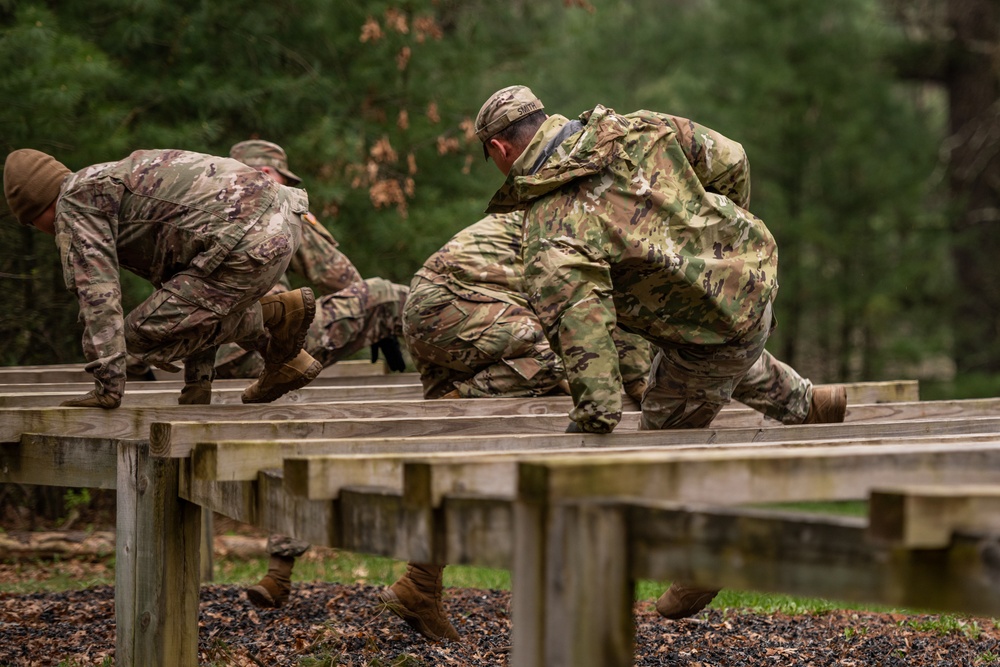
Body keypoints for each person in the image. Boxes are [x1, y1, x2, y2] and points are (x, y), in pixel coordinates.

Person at [378, 209, 843, 641]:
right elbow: (605, 326)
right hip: (465, 307)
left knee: (455, 446)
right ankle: (714, 527)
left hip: (433, 311)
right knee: (572, 367)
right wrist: (639, 389)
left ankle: (420, 582)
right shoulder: (605, 230)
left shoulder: (580, 213)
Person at [473, 85, 846, 622]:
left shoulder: (552, 229)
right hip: (754, 276)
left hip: (716, 334)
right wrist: (720, 244)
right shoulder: (635, 127)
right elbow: (732, 157)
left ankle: (703, 556)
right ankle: (813, 404)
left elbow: (586, 342)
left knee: (664, 443)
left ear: (501, 150)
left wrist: (591, 427)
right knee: (704, 360)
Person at [221, 140, 409, 609]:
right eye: (286, 179)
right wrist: (381, 322)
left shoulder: (198, 205)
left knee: (296, 438)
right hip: (263, 348)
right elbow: (343, 279)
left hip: (209, 357)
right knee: (388, 295)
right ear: (269, 172)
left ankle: (277, 574)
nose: (287, 187)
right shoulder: (275, 203)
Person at [2, 147, 323, 408]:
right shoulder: (111, 183)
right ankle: (285, 357)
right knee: (171, 313)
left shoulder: (74, 203)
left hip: (244, 240)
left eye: (32, 222)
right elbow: (188, 292)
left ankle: (277, 313)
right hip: (281, 222)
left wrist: (109, 385)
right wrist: (197, 386)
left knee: (135, 339)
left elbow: (98, 294)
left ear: (37, 207)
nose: (41, 230)